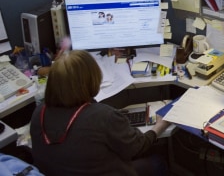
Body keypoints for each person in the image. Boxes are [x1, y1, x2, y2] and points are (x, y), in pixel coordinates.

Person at [30, 50, 171, 176]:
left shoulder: (38, 114)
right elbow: (138, 147)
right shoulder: (104, 117)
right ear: (92, 79)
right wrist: (159, 126)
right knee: (158, 163)